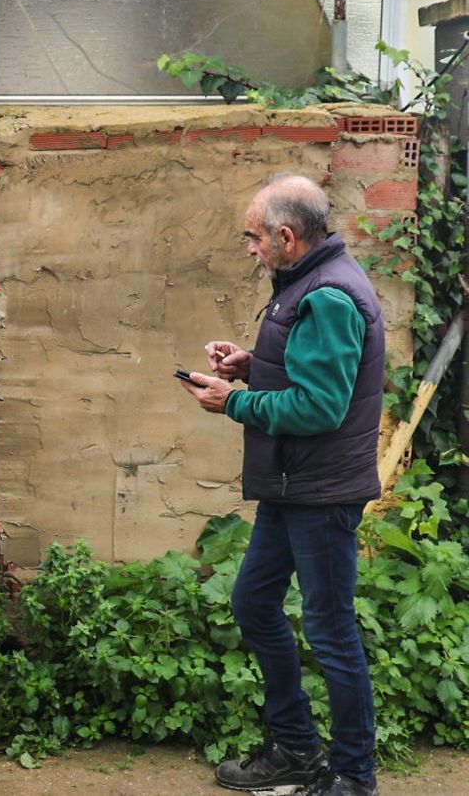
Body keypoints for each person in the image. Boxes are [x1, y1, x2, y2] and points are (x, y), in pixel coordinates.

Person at [182, 173, 384, 796]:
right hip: (293, 488)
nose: (250, 248)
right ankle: (296, 746)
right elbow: (309, 370)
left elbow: (322, 407)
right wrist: (255, 362)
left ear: (287, 237)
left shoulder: (327, 295)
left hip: (320, 493)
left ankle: (353, 774)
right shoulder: (307, 284)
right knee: (254, 602)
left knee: (329, 626)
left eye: (253, 237)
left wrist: (235, 402)